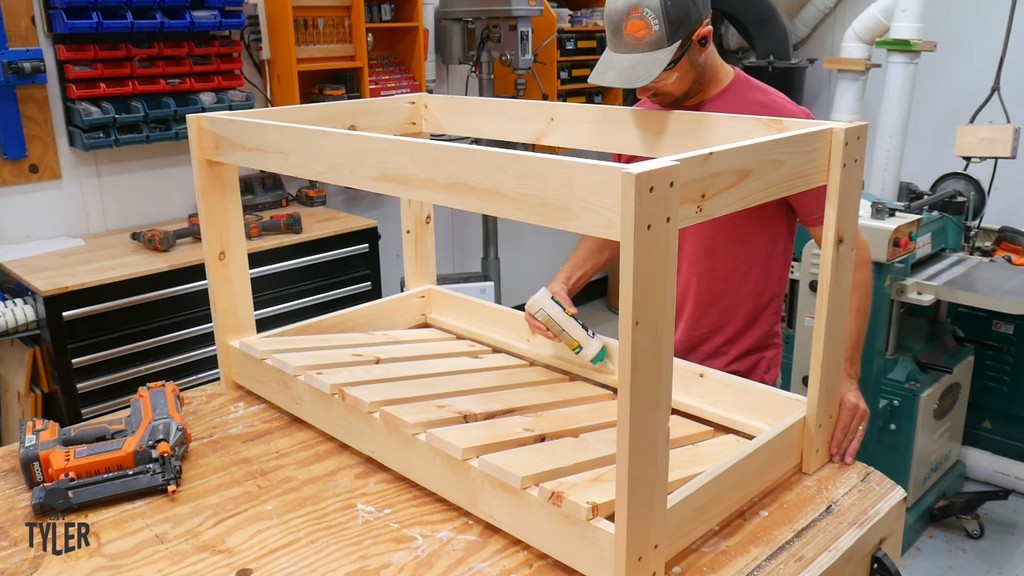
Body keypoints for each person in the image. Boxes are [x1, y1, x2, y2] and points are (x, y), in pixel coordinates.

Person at [525, 0, 873, 465]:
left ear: (704, 40)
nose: (645, 88)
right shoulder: (641, 122)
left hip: (735, 376)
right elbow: (616, 223)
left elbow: (849, 252)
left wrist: (845, 376)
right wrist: (563, 284)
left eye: (656, 71)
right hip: (644, 358)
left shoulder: (780, 126)